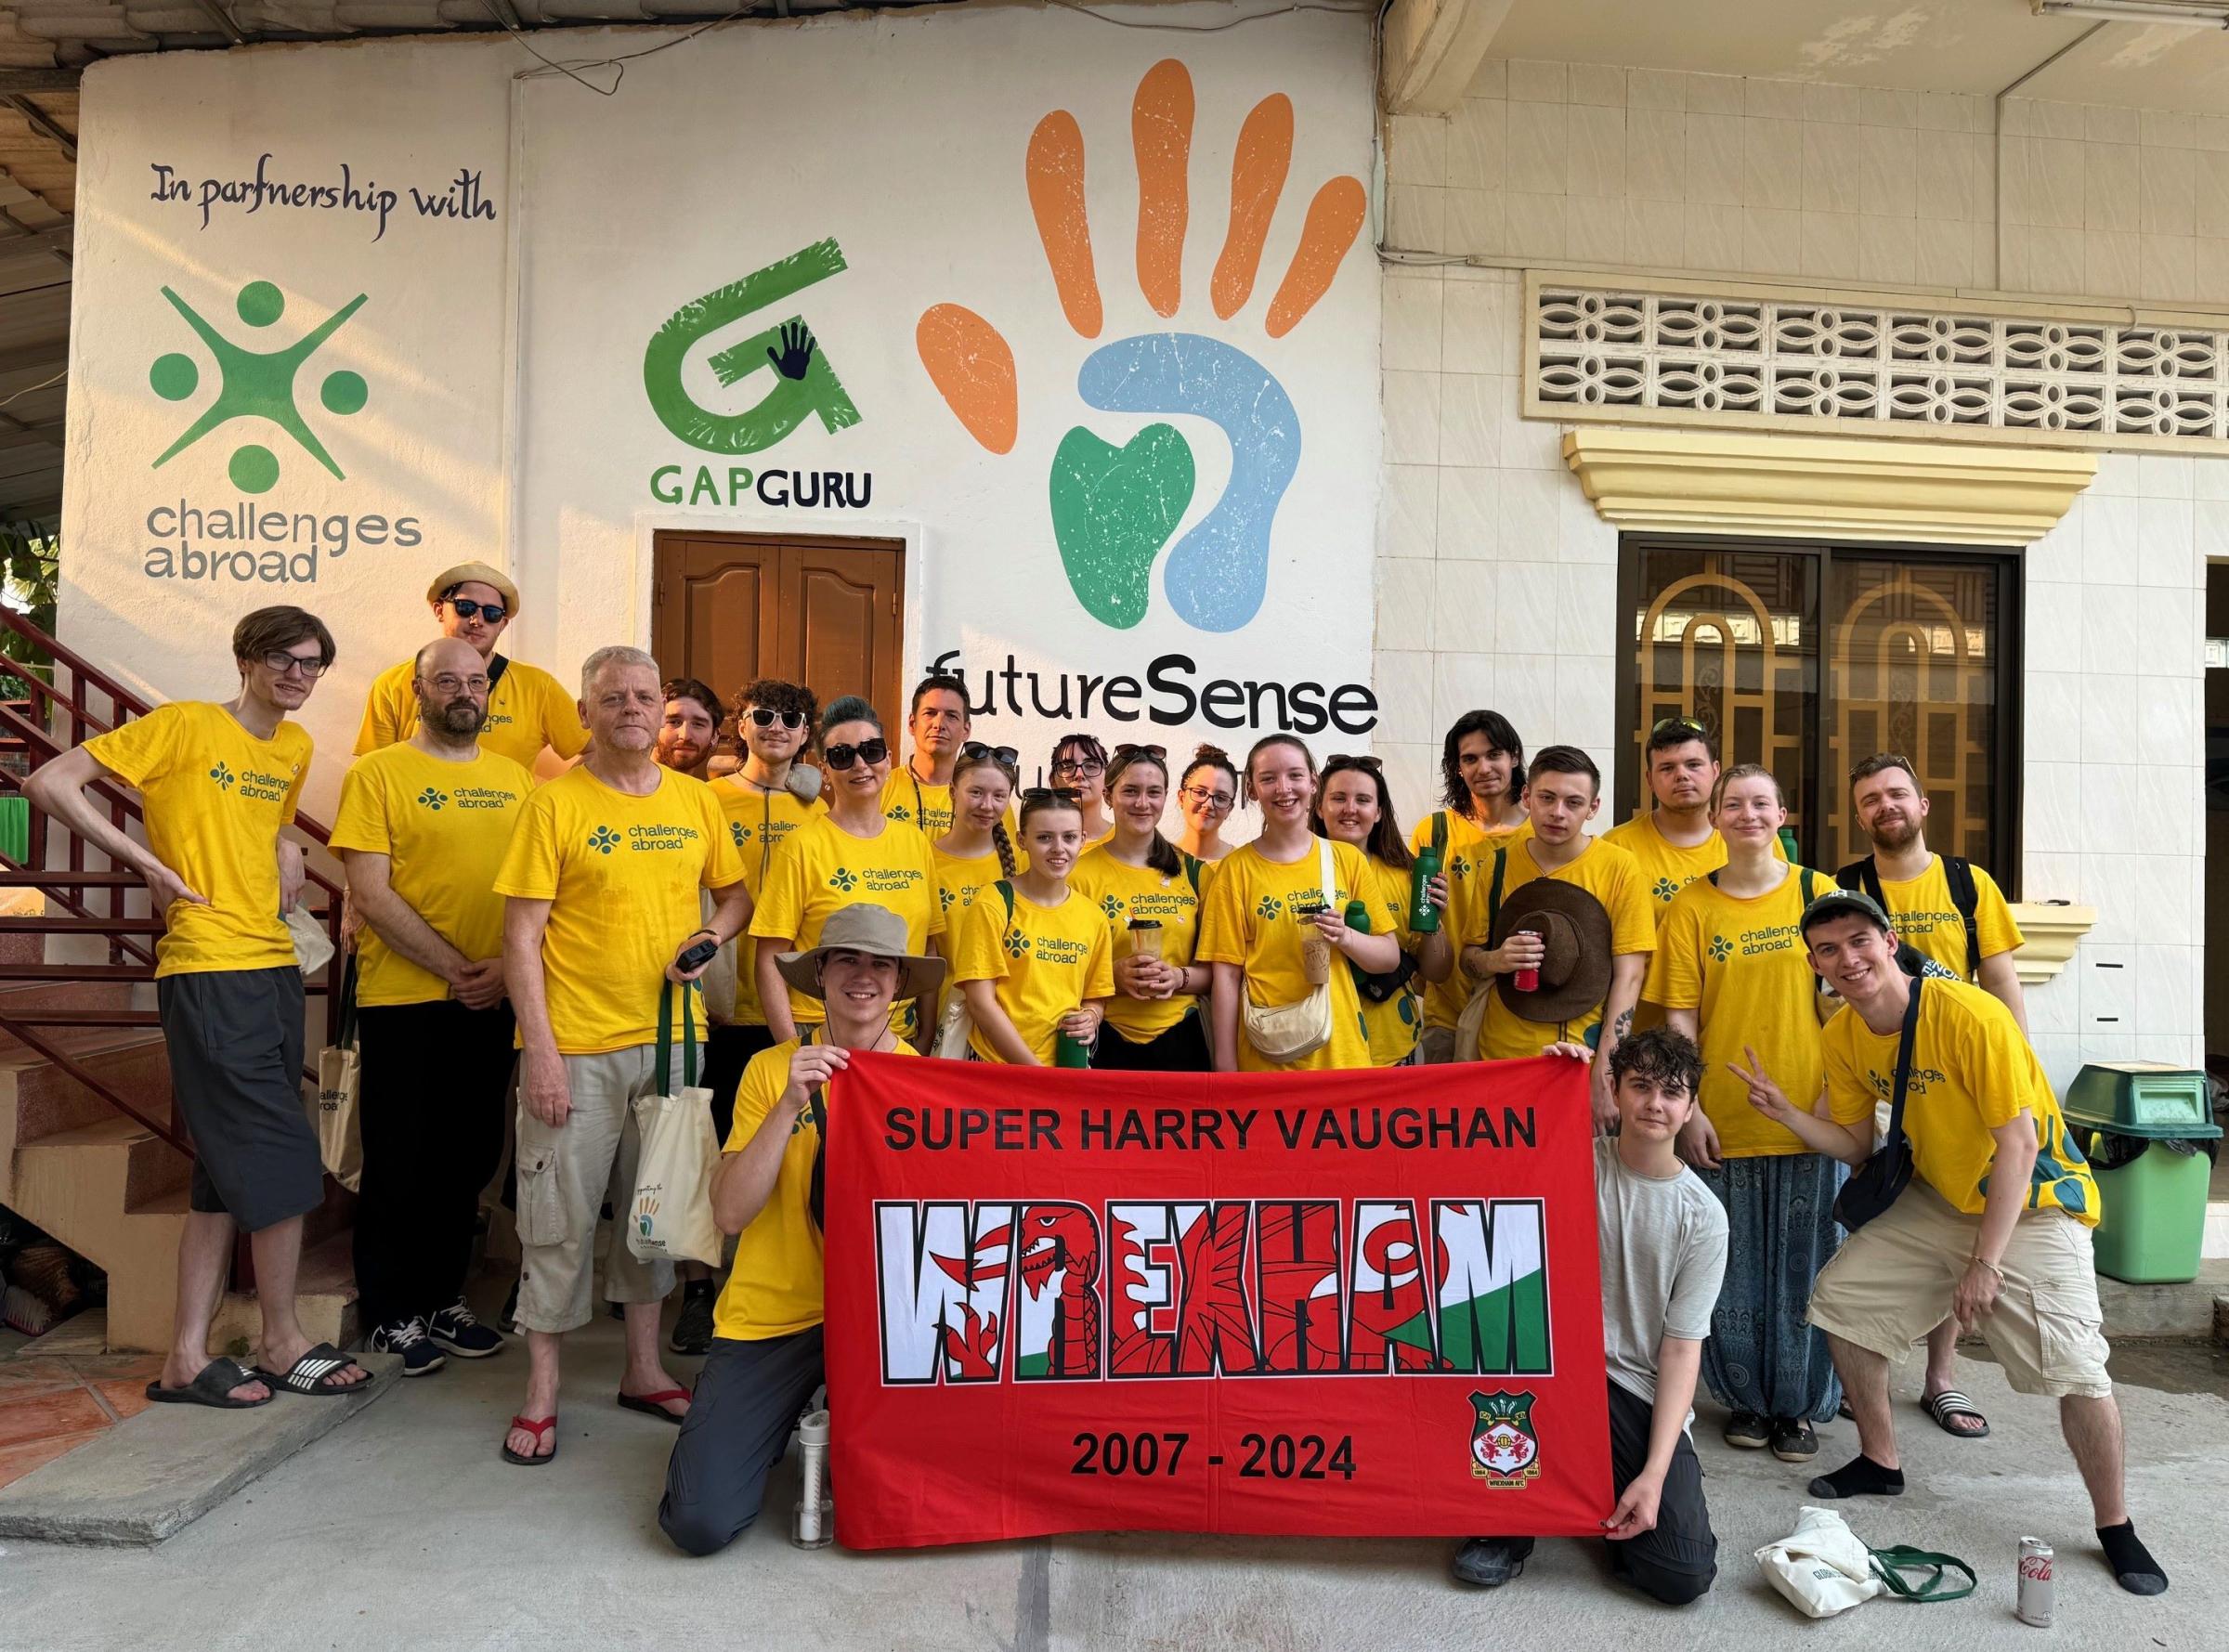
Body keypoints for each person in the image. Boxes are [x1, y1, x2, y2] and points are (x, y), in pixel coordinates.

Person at [1749, 890, 2168, 1598]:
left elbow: (2019, 1143)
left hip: (2031, 1201)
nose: (1846, 958)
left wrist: (1985, 1264)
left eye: (1858, 940)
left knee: (2077, 1367)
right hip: (1940, 1198)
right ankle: (1881, 1461)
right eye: (1828, 949)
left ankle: (2115, 1523)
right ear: (1816, 964)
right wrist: (1789, 1114)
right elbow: (1856, 1143)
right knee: (1842, 1300)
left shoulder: (1969, 1012)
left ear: (1888, 940)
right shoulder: (1844, 1034)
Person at [28, 606, 371, 1405]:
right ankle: (282, 1339)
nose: (298, 673)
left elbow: (270, 825)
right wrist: (144, 860)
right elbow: (51, 782)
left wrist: (287, 849)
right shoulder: (182, 727)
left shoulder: (292, 747)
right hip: (209, 967)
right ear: (247, 658)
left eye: (313, 663)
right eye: (283, 657)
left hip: (273, 963)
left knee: (222, 1172)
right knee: (285, 1156)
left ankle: (185, 1356)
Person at [492, 645, 750, 1465]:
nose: (633, 708)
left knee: (653, 1217)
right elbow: (520, 937)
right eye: (615, 697)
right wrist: (539, 1050)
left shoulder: (696, 800)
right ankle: (541, 1390)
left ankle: (643, 1369)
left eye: (645, 694)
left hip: (673, 1044)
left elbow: (737, 895)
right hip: (574, 1046)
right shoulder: (554, 805)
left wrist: (712, 935)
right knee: (556, 1218)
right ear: (587, 713)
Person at [658, 904, 942, 1555]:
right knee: (697, 1523)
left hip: (881, 1323)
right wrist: (789, 1103)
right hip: (775, 1313)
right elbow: (729, 1213)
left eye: (880, 964)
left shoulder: (923, 1083)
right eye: (847, 958)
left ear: (900, 983)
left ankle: (834, 1423)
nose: (863, 976)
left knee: (903, 1504)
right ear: (820, 974)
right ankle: (773, 1415)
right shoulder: (769, 1070)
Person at [1452, 1028, 1724, 1605]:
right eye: (1641, 1085)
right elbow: (1491, 1162)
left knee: (1680, 1575)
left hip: (1629, 1385)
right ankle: (1507, 1521)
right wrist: (1548, 1083)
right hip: (1541, 1372)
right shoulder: (1564, 1160)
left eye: (1672, 1092)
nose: (1655, 1103)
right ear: (1615, 1091)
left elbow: (1681, 1349)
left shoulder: (1704, 1218)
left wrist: (1653, 1473)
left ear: (1691, 1106)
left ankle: (1601, 1497)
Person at [331, 637, 532, 1375]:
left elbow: (540, 890)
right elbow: (372, 891)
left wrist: (507, 973)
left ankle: (443, 1298)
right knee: (400, 1156)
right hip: (406, 997)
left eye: (475, 681)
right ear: (417, 690)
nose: (464, 691)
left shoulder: (517, 780)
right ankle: (390, 1311)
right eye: (447, 679)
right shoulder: (377, 773)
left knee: (469, 1156)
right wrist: (455, 969)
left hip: (493, 997)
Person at [1645, 765, 1838, 1461]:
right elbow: (1680, 1014)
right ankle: (1745, 1400)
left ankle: (1800, 1406)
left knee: (1806, 1265)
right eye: (1735, 804)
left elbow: (1844, 1000)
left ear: (1783, 812)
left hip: (1810, 1113)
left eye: (1762, 801)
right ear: (1717, 819)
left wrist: (1834, 1099)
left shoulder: (1817, 894)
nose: (1748, 813)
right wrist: (1688, 1106)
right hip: (1723, 1118)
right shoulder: (1694, 905)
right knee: (1731, 1270)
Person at [1840, 751, 2029, 1441]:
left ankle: (1940, 1377)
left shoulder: (1966, 881)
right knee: (1872, 1223)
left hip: (1960, 1084)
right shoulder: (1844, 885)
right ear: (1859, 816)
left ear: (1922, 805)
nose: (1885, 806)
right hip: (1879, 1079)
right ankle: (1865, 1368)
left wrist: (2021, 1067)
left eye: (1896, 794)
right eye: (1870, 799)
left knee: (1959, 1215)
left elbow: (2002, 983)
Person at [658, 672, 767, 1356]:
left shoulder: (820, 799)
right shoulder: (707, 798)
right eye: (675, 719)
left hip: (789, 1005)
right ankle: (697, 1290)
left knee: (765, 1157)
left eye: (699, 724)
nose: (684, 735)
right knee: (699, 1150)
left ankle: (752, 1286)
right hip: (708, 1003)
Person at [1463, 747, 1655, 1132]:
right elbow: (1469, 958)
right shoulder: (1497, 865)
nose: (1558, 812)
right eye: (1547, 798)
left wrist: (1606, 1073)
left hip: (1580, 1064)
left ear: (1593, 807)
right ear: (1526, 797)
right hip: (1501, 1058)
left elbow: (1630, 976)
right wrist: (1495, 960)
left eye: (1574, 802)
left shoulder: (1620, 868)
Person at [751, 697, 945, 1049]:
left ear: (888, 759)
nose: (860, 764)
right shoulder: (802, 846)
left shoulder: (914, 842)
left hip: (898, 1035)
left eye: (870, 751)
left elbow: (927, 946)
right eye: (842, 755)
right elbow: (769, 959)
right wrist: (792, 1049)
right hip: (821, 1032)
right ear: (825, 770)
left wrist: (927, 1036)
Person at [1198, 736, 1401, 1073]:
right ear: (1251, 789)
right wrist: (1225, 1067)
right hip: (1266, 1058)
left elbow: (1388, 957)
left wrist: (1346, 937)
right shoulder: (1235, 870)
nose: (1284, 788)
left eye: (1295, 775)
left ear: (1313, 781)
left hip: (1342, 1055)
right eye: (1268, 778)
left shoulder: (1346, 859)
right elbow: (1226, 978)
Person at [354, 561, 587, 772]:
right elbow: (372, 771)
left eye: (492, 613)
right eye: (465, 608)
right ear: (439, 610)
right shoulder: (392, 685)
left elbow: (596, 752)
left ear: (503, 624)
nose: (477, 621)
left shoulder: (538, 687)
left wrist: (553, 801)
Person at [1072, 746, 1212, 1071]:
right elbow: (1058, 968)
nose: (1142, 803)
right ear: (1108, 795)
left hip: (1183, 1038)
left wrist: (1178, 977)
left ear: (1167, 797)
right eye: (1130, 791)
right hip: (1104, 1037)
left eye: (1153, 792)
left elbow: (1220, 974)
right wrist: (1113, 977)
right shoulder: (1078, 873)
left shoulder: (1195, 873)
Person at [951, 787, 1113, 1064]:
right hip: (996, 1067)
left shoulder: (1093, 916)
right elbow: (980, 1003)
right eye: (1044, 838)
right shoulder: (994, 902)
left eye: (1069, 837)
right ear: (1022, 840)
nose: (1058, 848)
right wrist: (1034, 1073)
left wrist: (1092, 1017)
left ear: (1083, 840)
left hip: (1065, 1068)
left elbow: (1095, 998)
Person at [1312, 753, 1452, 1067]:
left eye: (1363, 800)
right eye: (1338, 798)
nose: (1350, 809)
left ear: (1378, 812)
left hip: (1391, 1050)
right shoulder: (1290, 869)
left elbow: (1436, 973)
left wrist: (1434, 922)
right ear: (1319, 807)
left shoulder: (1407, 876)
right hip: (1316, 1048)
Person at [1414, 710, 1531, 1064]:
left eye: (1494, 754)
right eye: (1470, 758)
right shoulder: (1434, 832)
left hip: (1520, 1015)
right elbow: (1415, 922)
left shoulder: (1543, 832)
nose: (1483, 768)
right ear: (1457, 767)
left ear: (1514, 757)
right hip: (1446, 1014)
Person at [1604, 716, 1779, 916]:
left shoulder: (1755, 837)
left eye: (1693, 764)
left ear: (1715, 771)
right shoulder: (1617, 847)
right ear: (1649, 779)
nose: (1682, 775)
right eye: (1667, 768)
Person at [882, 672, 984, 837]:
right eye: (930, 713)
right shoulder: (881, 789)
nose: (939, 724)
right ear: (912, 723)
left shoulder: (986, 800)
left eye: (951, 716)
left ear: (966, 730)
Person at [931, 747, 1023, 925]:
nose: (987, 805)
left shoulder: (1023, 862)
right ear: (952, 792)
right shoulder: (927, 860)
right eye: (976, 793)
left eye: (999, 796)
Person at [1172, 744, 1239, 867]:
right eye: (1200, 792)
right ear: (1182, 798)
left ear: (1229, 809)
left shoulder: (1241, 866)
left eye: (1220, 798)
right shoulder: (1159, 862)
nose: (1208, 804)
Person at [1047, 732, 1114, 844]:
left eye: (1091, 766)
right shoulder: (1033, 843)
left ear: (1107, 779)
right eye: (1067, 766)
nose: (1079, 774)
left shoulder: (1125, 840)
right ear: (1053, 781)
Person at [654, 677, 723, 781]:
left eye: (698, 724)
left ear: (715, 736)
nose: (685, 736)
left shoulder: (704, 794)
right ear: (652, 727)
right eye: (674, 722)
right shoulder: (623, 787)